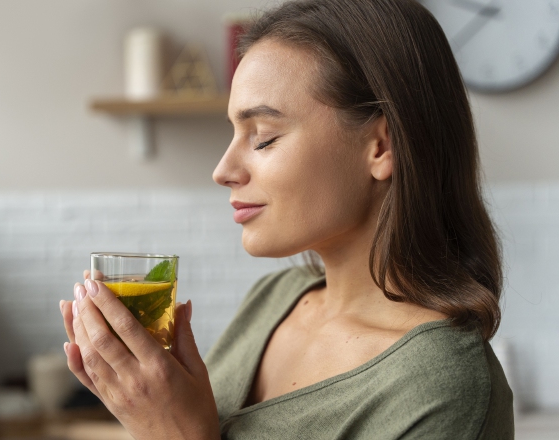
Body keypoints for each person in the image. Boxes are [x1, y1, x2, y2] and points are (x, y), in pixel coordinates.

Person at [59, 0, 514, 438]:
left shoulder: (444, 388)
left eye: (264, 137)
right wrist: (146, 404)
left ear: (381, 146)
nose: (222, 171)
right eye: (233, 133)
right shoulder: (274, 298)